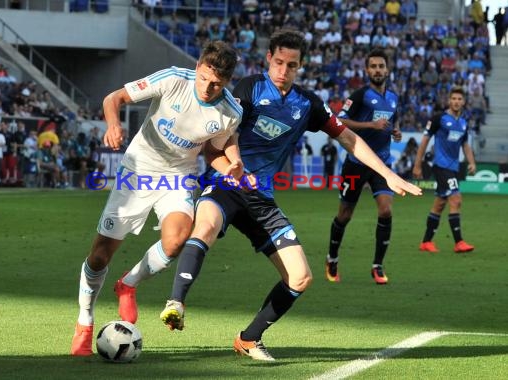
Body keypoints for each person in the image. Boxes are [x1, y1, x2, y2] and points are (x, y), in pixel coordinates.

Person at [159, 30, 422, 361]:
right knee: (205, 227)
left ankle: (249, 338)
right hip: (227, 184)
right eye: (279, 62)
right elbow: (218, 142)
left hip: (262, 199)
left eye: (292, 65)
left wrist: (388, 174)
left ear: (301, 66)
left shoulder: (307, 103)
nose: (283, 71)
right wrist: (234, 169)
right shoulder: (249, 89)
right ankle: (176, 303)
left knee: (300, 277)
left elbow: (349, 139)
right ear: (269, 58)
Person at [71, 40, 244, 356]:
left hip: (178, 177)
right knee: (100, 255)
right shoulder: (174, 78)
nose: (208, 87)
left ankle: (128, 284)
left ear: (228, 82)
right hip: (138, 169)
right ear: (198, 68)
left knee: (176, 240)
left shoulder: (230, 112)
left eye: (217, 84)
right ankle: (85, 321)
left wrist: (231, 167)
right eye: (204, 78)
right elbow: (115, 98)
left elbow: (213, 151)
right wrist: (113, 124)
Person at [325, 49, 402, 285]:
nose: (378, 70)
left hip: (381, 164)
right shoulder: (359, 96)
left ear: (387, 70)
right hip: (356, 163)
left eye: (381, 66)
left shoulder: (394, 98)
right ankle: (332, 258)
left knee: (386, 210)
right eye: (374, 66)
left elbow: (389, 123)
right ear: (367, 70)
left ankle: (377, 266)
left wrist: (394, 131)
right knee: (345, 214)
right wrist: (370, 124)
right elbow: (339, 120)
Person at [413, 87, 476, 253]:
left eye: (459, 99)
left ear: (463, 102)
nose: (456, 101)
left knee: (440, 204)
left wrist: (472, 162)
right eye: (453, 98)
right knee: (456, 199)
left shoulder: (463, 122)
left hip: (454, 167)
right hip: (441, 166)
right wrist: (417, 165)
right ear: (449, 100)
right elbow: (425, 141)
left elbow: (465, 144)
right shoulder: (439, 118)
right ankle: (459, 242)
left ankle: (426, 242)